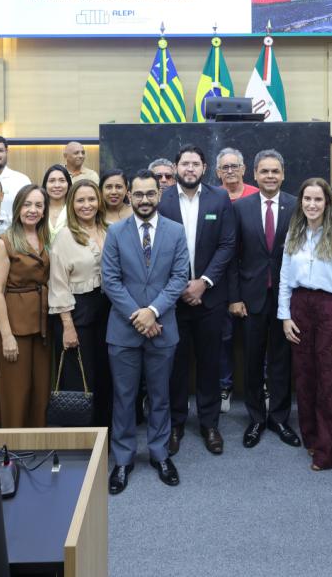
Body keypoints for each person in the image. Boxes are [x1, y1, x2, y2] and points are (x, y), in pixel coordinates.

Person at [103, 170, 190, 494]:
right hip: (123, 330)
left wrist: (152, 311)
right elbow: (110, 280)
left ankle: (159, 453)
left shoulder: (176, 231)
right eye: (138, 194)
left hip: (162, 328)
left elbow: (179, 277)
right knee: (124, 398)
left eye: (150, 193)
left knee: (160, 396)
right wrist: (139, 316)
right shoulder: (116, 232)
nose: (144, 200)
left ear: (160, 194)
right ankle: (123, 459)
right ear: (129, 195)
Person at [278, 178, 332, 470]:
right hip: (299, 307)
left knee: (330, 379)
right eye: (307, 199)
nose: (312, 205)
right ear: (301, 202)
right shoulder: (295, 233)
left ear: (327, 203)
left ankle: (329, 451)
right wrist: (285, 316)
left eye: (318, 200)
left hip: (330, 308)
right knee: (305, 377)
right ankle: (311, 438)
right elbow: (285, 277)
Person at [161, 145, 237, 453]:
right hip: (172, 299)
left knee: (209, 362)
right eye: (185, 164)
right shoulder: (162, 200)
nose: (190, 168)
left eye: (195, 164)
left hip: (210, 298)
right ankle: (176, 423)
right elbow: (157, 247)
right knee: (175, 364)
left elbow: (227, 244)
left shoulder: (219, 198)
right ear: (176, 167)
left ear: (204, 168)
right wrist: (180, 286)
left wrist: (202, 283)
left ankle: (209, 424)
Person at [229, 149, 297, 450]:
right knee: (252, 360)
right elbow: (231, 256)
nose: (270, 176)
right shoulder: (240, 207)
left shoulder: (297, 205)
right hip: (250, 297)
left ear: (283, 174)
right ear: (255, 174)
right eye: (264, 171)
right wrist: (234, 297)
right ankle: (256, 418)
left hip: (286, 298)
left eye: (275, 171)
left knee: (282, 360)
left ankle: (279, 418)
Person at [49, 181, 112, 427]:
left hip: (107, 311)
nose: (87, 205)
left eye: (91, 199)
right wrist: (67, 326)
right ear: (71, 204)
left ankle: (105, 435)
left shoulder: (109, 230)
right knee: (80, 378)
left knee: (105, 374)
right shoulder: (65, 237)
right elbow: (58, 285)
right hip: (76, 313)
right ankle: (82, 437)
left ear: (99, 201)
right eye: (80, 200)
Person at [0, 185, 53, 428]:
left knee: (40, 391)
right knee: (14, 393)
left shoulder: (46, 238)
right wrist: (6, 336)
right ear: (18, 208)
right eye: (27, 204)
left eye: (38, 205)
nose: (32, 210)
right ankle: (12, 445)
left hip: (43, 325)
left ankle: (36, 443)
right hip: (15, 326)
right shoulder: (5, 242)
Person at [42, 164, 72, 237]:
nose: (57, 185)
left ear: (68, 184)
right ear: (45, 184)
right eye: (52, 181)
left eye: (62, 180)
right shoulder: (39, 208)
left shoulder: (74, 209)